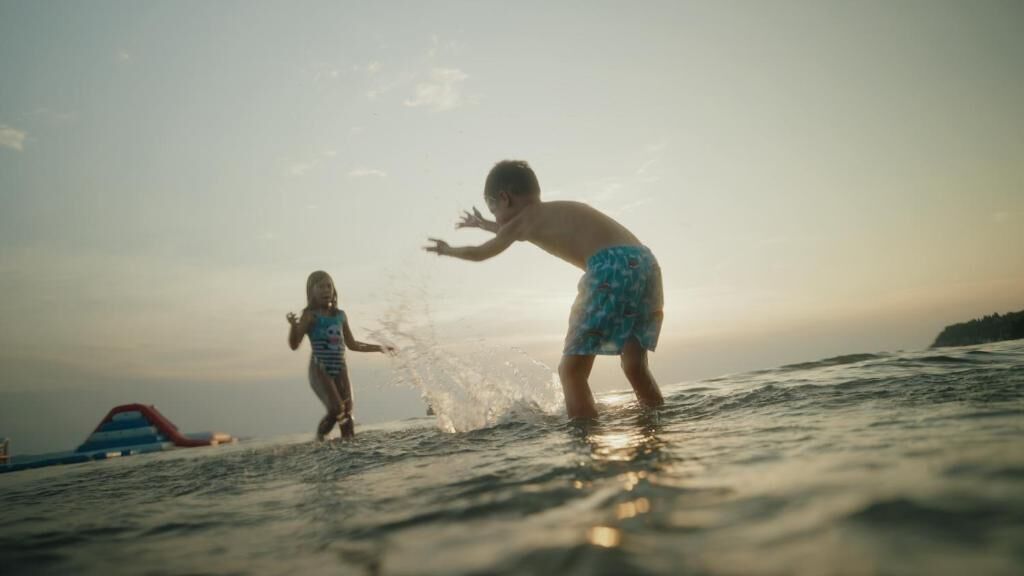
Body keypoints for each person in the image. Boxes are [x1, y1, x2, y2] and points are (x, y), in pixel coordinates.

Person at [424, 160, 664, 418]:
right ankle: (655, 421)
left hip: (609, 267)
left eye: (494, 211)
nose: (497, 219)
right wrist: (487, 224)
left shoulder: (524, 220)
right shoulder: (553, 212)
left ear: (504, 198)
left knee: (571, 372)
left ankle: (584, 442)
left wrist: (447, 250)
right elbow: (513, 230)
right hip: (645, 263)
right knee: (634, 364)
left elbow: (481, 252)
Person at [287, 270, 393, 440]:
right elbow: (294, 345)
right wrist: (294, 326)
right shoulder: (309, 316)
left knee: (348, 412)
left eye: (329, 286)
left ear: (334, 290)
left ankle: (348, 449)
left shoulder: (340, 315)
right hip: (320, 368)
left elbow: (352, 344)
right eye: (320, 287)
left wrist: (380, 348)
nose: (326, 290)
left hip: (340, 367)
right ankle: (319, 441)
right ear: (311, 292)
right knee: (336, 409)